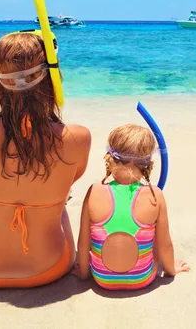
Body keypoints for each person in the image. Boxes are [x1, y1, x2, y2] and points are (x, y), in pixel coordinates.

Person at [0, 32, 91, 288]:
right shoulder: (77, 138)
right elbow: (73, 176)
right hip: (50, 267)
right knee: (62, 196)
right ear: (52, 80)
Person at [73, 124, 189, 290]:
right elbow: (165, 244)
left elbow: (84, 243)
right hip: (142, 278)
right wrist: (171, 270)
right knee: (154, 236)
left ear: (110, 158)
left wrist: (84, 275)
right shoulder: (155, 195)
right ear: (148, 164)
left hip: (102, 279)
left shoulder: (94, 191)